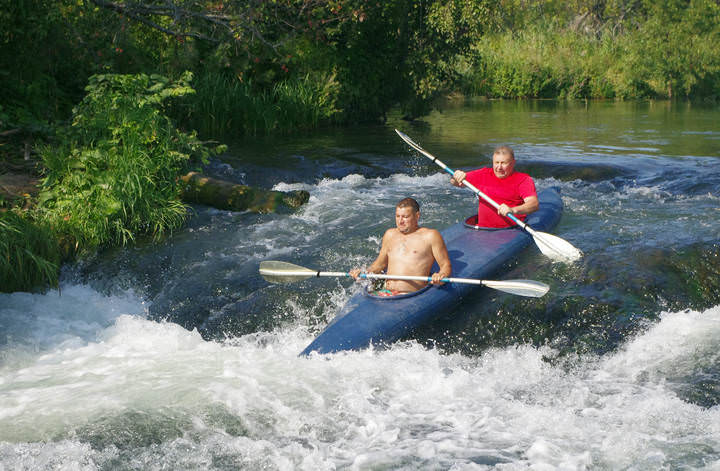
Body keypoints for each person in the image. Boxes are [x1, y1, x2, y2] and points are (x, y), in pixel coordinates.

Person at [350, 197, 452, 296]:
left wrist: (441, 275)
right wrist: (364, 273)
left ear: (417, 216)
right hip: (387, 292)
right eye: (397, 216)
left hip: (410, 295)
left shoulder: (430, 236)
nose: (400, 221)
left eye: (405, 217)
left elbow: (445, 265)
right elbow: (379, 265)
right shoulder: (390, 234)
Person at [450, 145, 539, 228]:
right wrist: (456, 177)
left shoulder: (523, 180)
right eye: (496, 162)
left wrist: (513, 210)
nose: (499, 167)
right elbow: (456, 183)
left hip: (511, 229)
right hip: (483, 229)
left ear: (513, 163)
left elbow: (534, 204)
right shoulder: (483, 174)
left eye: (504, 163)